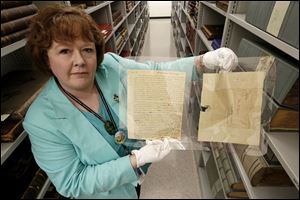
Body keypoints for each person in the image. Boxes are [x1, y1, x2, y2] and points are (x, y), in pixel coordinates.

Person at [23, 4, 238, 199]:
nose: (79, 61)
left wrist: (202, 62)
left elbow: (156, 73)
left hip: (136, 177)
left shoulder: (110, 66)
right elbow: (74, 181)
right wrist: (135, 160)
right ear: (45, 58)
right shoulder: (41, 120)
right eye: (64, 51)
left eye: (87, 49)